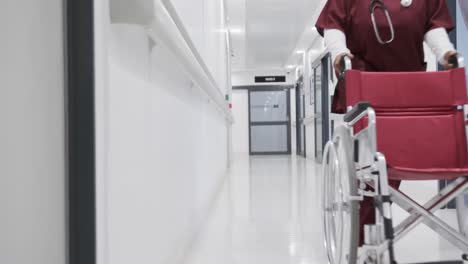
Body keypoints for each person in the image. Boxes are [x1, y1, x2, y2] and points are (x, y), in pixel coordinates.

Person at [316, 0, 457, 245]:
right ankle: (366, 235)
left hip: (409, 86)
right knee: (371, 169)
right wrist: (338, 52)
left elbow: (433, 26)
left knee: (392, 164)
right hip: (364, 84)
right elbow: (333, 25)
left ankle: (374, 230)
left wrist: (445, 51)